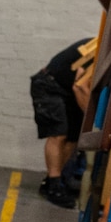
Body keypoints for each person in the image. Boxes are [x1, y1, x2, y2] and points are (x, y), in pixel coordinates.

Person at [29, 40, 90, 208]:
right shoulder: (99, 47)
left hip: (67, 90)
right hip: (50, 84)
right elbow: (81, 86)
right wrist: (91, 118)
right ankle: (54, 188)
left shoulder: (109, 49)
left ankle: (51, 182)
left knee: (72, 138)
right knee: (58, 134)